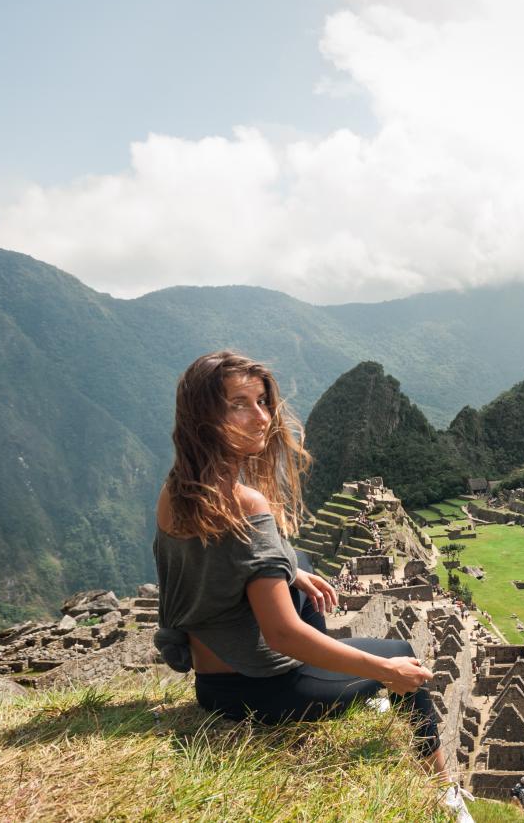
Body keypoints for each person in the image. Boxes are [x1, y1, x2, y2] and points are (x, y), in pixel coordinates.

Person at [152, 351, 471, 821]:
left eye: (263, 401)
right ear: (204, 414)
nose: (261, 416)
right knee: (403, 654)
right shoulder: (247, 503)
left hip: (211, 683)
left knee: (298, 561)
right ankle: (447, 797)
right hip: (263, 691)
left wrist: (290, 569)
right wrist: (386, 672)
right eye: (239, 404)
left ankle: (334, 666)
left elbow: (222, 563)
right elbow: (281, 635)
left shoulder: (178, 489)